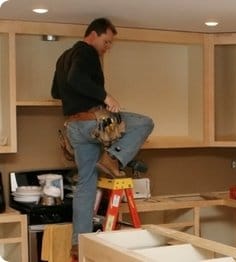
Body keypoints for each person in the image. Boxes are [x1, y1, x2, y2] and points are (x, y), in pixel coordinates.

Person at [51, 17, 154, 258]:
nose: (108, 47)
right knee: (145, 123)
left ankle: (79, 243)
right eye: (106, 42)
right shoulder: (86, 52)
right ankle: (113, 159)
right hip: (92, 122)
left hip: (74, 128)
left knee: (85, 183)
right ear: (93, 35)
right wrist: (106, 97)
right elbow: (76, 79)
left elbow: (56, 91)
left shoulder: (63, 57)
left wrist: (76, 97)